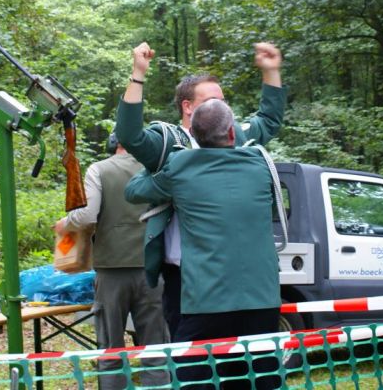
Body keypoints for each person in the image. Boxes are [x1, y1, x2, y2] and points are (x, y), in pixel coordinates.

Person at [115, 41, 285, 336]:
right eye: (212, 101)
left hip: (239, 272)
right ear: (188, 107)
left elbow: (268, 120)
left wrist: (271, 71)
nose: (221, 107)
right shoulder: (168, 142)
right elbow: (129, 136)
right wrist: (138, 74)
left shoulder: (237, 136)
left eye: (223, 101)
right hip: (185, 274)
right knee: (195, 353)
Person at [125, 99, 282, 389]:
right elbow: (269, 120)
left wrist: (159, 162)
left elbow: (133, 191)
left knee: (196, 381)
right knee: (258, 381)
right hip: (263, 300)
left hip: (207, 300)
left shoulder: (179, 166)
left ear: (193, 136)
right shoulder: (260, 162)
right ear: (232, 133)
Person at [54, 133, 169, 390]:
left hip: (111, 271)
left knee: (110, 350)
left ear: (114, 143)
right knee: (156, 349)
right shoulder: (156, 170)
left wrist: (65, 223)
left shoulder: (99, 169)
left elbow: (87, 215)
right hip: (151, 268)